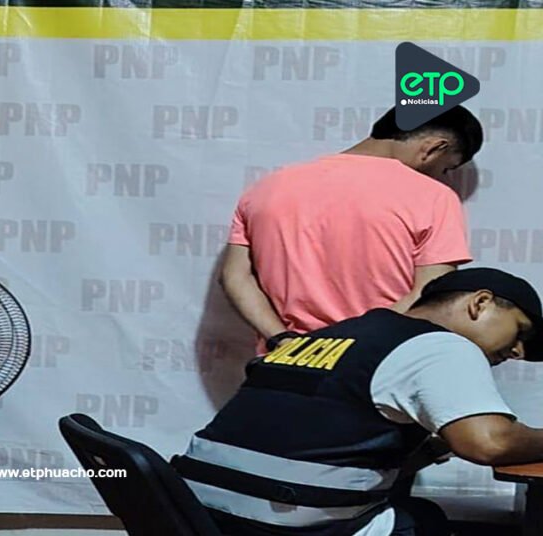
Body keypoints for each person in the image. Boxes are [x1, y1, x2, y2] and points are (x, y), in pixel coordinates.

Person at [176, 267, 543, 535]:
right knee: (425, 520)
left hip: (194, 514)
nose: (517, 351)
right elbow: (489, 443)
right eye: (520, 331)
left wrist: (431, 448)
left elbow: (313, 443)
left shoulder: (327, 337)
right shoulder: (442, 345)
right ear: (480, 303)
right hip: (284, 526)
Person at [220, 106, 484, 355]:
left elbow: (235, 277)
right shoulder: (434, 197)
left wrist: (281, 338)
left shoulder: (265, 188)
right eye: (446, 168)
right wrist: (348, 347)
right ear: (435, 148)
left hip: (284, 362)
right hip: (378, 359)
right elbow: (431, 294)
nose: (440, 176)